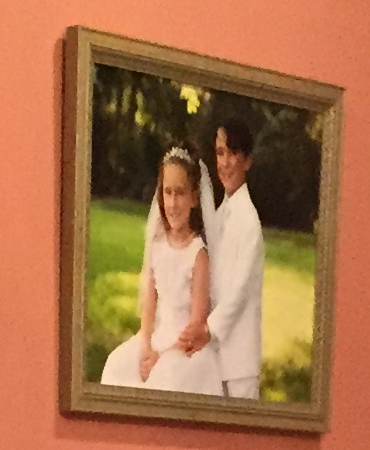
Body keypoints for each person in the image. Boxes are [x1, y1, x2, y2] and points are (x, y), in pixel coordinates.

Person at [99, 145, 226, 396]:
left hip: (183, 348)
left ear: (194, 198)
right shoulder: (157, 245)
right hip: (156, 336)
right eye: (167, 192)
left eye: (180, 193)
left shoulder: (198, 254)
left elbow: (196, 323)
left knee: (164, 378)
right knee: (116, 364)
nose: (173, 203)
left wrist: (162, 356)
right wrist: (146, 346)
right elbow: (150, 305)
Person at [201, 112, 266, 399]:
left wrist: (208, 330)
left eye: (233, 153)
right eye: (220, 153)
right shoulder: (219, 213)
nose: (225, 162)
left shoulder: (249, 221)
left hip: (239, 362)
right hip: (215, 357)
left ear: (247, 161)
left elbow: (239, 292)